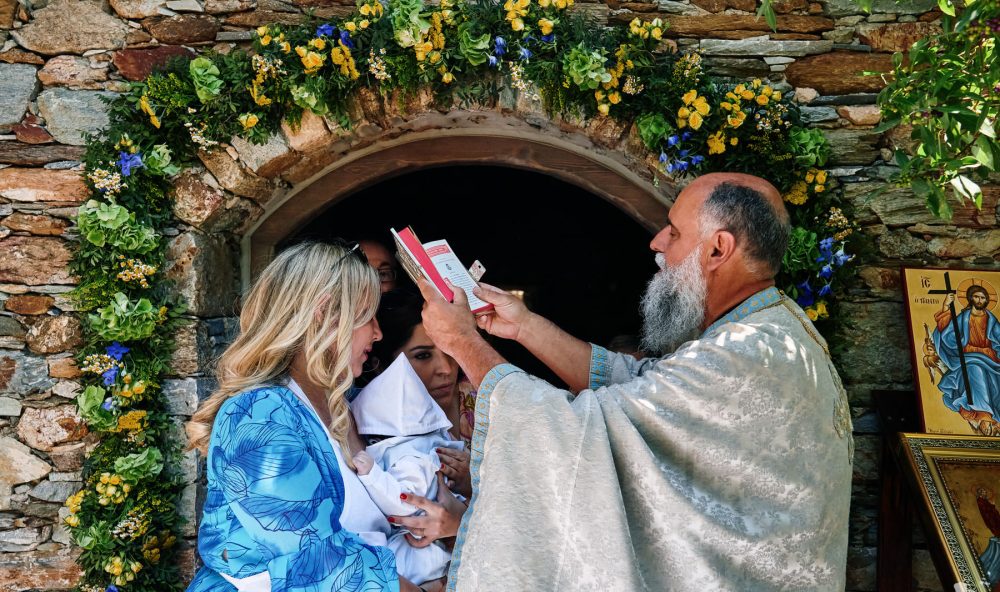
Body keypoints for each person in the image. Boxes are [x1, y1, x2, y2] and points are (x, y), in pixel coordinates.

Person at [418, 173, 854, 591]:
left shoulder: (748, 354)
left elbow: (583, 430)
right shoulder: (764, 332)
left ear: (718, 249)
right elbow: (637, 387)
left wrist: (462, 342)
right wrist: (524, 327)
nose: (657, 242)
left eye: (674, 232)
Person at [184, 241, 445, 592]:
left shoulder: (350, 405)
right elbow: (317, 561)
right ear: (323, 314)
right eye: (367, 317)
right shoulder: (259, 415)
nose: (378, 332)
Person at [351, 354, 466, 585]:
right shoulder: (422, 447)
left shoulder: (412, 458)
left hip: (423, 551)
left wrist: (372, 476)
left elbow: (405, 502)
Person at [372, 290, 473, 497]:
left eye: (451, 349)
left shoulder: (488, 401)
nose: (446, 369)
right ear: (383, 365)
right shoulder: (370, 424)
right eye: (423, 355)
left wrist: (475, 485)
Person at [933, 283, 1000, 435]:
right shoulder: (964, 317)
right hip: (968, 357)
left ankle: (995, 417)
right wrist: (946, 307)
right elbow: (947, 334)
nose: (980, 300)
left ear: (987, 300)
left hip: (991, 359)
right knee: (975, 370)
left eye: (983, 297)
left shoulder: (991, 319)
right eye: (976, 296)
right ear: (970, 298)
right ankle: (983, 414)